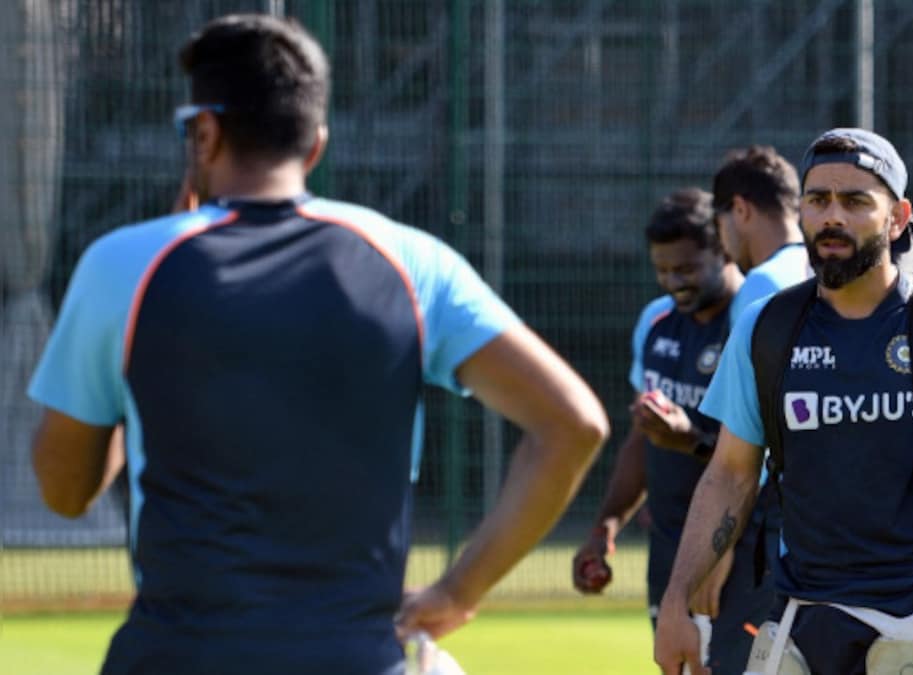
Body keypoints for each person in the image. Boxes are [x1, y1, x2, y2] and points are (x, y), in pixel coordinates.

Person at [27, 14, 608, 675]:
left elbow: (66, 489)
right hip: (355, 657)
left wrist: (136, 356)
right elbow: (574, 424)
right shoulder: (412, 262)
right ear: (316, 145)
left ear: (204, 132)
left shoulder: (125, 265)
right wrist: (458, 588)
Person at [653, 128, 913, 675]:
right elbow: (730, 476)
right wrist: (676, 602)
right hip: (801, 624)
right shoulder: (767, 331)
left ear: (898, 218)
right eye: (818, 200)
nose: (833, 216)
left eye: (856, 201)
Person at [571, 188, 774, 674]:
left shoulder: (754, 322)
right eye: (662, 270)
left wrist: (689, 439)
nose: (672, 283)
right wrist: (606, 526)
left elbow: (767, 459)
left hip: (741, 551)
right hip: (669, 549)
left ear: (723, 248)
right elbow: (641, 438)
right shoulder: (656, 322)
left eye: (685, 269)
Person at [710, 145, 811, 323]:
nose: (721, 241)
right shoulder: (826, 270)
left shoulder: (761, 283)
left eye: (718, 223)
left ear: (741, 210)